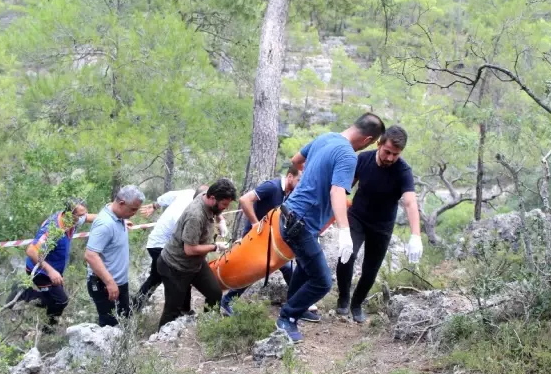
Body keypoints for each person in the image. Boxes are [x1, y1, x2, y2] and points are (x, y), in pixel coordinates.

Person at [276, 113, 385, 343]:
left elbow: (296, 160)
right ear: (367, 140)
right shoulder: (347, 155)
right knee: (322, 281)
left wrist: (314, 175)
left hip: (290, 214)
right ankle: (287, 317)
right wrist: (345, 231)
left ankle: (295, 303)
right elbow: (337, 192)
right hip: (301, 224)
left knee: (306, 268)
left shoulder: (326, 137)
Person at [336, 125, 422, 323]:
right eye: (387, 152)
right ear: (379, 144)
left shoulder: (403, 171)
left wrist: (415, 235)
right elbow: (346, 185)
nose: (390, 158)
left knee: (370, 269)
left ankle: (357, 304)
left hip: (382, 226)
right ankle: (343, 297)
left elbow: (410, 202)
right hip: (357, 217)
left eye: (396, 154)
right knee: (346, 256)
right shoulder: (363, 159)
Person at [220, 166, 312, 317]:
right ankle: (227, 300)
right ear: (290, 176)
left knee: (288, 269)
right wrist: (256, 224)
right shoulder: (272, 186)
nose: (300, 184)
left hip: (272, 240)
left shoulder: (289, 193)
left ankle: (297, 307)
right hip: (254, 238)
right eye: (299, 180)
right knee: (254, 271)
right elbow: (244, 200)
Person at [6, 198, 97, 331]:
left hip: (52, 270)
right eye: (80, 215)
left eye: (84, 214)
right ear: (69, 214)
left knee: (57, 301)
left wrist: (115, 219)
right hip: (40, 272)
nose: (83, 218)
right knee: (60, 301)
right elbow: (31, 250)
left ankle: (49, 327)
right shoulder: (52, 229)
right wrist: (51, 271)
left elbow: (90, 217)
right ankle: (23, 295)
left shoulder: (73, 219)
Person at [157, 178, 237, 327]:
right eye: (224, 205)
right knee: (172, 310)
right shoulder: (195, 215)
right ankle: (159, 340)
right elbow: (190, 249)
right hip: (175, 266)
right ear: (212, 198)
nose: (225, 208)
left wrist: (220, 221)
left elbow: (215, 208)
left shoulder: (206, 195)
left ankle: (207, 326)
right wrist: (215, 247)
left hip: (196, 264)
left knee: (214, 293)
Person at [131, 185, 210, 311]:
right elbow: (184, 241)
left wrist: (155, 205)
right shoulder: (189, 213)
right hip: (160, 245)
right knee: (179, 274)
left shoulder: (188, 192)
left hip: (156, 242)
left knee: (157, 277)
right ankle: (180, 311)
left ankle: (134, 307)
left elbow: (168, 196)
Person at [84, 185, 144, 327]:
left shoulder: (118, 216)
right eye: (133, 209)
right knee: (110, 327)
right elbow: (91, 255)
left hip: (119, 283)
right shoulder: (105, 223)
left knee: (124, 320)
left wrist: (124, 221)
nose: (135, 213)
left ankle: (122, 348)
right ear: (121, 203)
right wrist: (110, 282)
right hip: (105, 285)